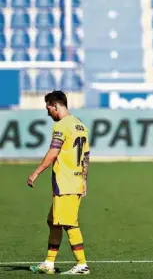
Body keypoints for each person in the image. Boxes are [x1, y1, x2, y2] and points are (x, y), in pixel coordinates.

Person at [27, 90, 90, 275]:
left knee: (70, 223)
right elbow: (85, 155)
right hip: (74, 180)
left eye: (48, 108)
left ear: (56, 106)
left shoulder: (62, 126)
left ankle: (81, 264)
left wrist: (36, 172)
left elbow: (54, 152)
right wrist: (84, 179)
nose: (48, 112)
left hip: (66, 182)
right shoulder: (80, 125)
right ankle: (49, 263)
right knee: (53, 221)